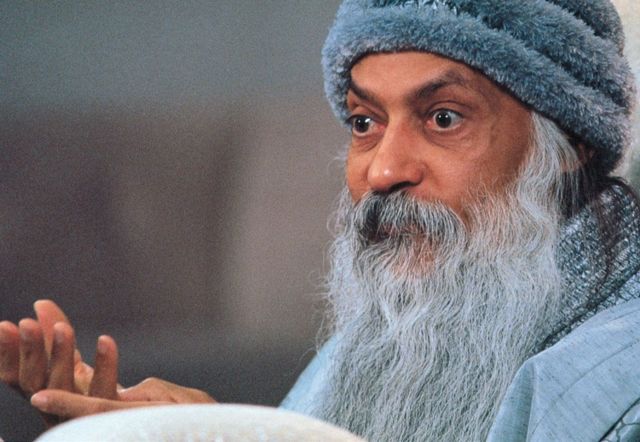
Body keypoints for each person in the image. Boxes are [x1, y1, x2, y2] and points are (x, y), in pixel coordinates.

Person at [1, 0, 639, 440]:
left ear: (570, 143)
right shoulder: (391, 339)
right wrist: (192, 430)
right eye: (365, 122)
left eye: (444, 118)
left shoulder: (623, 390)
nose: (382, 171)